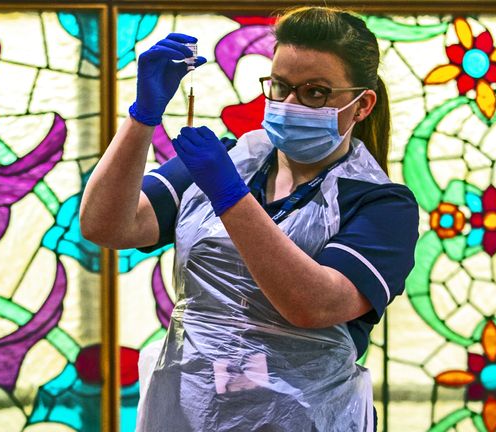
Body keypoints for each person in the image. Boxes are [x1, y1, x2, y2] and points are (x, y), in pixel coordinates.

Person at [80, 6, 419, 431]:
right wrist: (143, 117)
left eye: (315, 93)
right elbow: (107, 224)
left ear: (361, 105)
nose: (290, 103)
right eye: (280, 86)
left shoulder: (382, 204)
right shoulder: (228, 160)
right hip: (191, 410)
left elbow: (312, 304)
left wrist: (228, 195)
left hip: (307, 418)